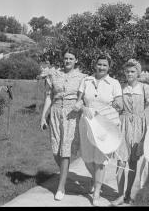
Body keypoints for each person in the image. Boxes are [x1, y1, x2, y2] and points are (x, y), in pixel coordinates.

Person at [73, 53, 123, 206]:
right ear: (95, 65)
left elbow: (119, 104)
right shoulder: (86, 80)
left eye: (105, 65)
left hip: (104, 125)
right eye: (99, 64)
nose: (101, 67)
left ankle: (96, 192)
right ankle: (96, 181)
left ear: (109, 67)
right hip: (86, 122)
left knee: (100, 160)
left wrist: (110, 109)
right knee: (87, 157)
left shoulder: (114, 83)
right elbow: (79, 100)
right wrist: (81, 107)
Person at [39, 47, 86, 201]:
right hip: (55, 112)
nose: (67, 61)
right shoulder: (54, 75)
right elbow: (48, 96)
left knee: (65, 150)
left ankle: (61, 187)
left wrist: (80, 104)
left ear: (76, 60)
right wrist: (43, 116)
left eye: (71, 58)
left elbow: (82, 97)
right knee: (55, 149)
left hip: (71, 114)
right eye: (66, 58)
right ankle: (65, 174)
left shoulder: (82, 77)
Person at [112, 59, 149, 205]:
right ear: (124, 73)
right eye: (127, 71)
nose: (129, 74)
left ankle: (128, 194)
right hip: (123, 125)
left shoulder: (144, 88)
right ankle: (120, 195)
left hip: (139, 125)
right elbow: (116, 106)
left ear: (138, 73)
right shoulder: (121, 87)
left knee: (133, 161)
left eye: (132, 71)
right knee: (120, 160)